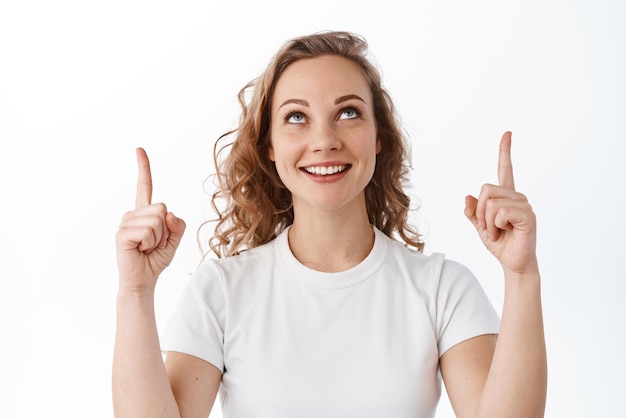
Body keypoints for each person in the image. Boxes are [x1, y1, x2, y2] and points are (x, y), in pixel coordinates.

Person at [113, 31, 547, 418]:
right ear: (269, 145)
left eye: (348, 113)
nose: (324, 140)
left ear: (379, 136)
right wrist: (135, 293)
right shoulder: (222, 291)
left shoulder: (441, 289)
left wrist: (521, 275)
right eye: (296, 117)